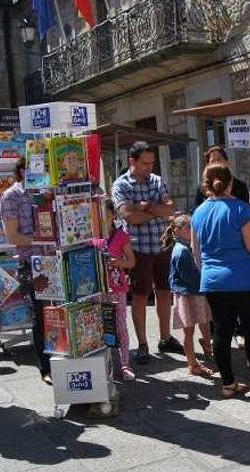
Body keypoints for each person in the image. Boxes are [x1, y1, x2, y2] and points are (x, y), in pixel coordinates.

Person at [191, 163, 250, 399]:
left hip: (213, 281)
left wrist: (210, 271)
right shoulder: (242, 210)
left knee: (221, 333)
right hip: (244, 280)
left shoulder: (198, 213)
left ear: (206, 185)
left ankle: (228, 384)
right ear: (230, 182)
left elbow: (196, 252)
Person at [111, 141, 184, 364]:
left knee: (164, 291)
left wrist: (146, 208)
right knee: (140, 296)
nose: (149, 168)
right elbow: (129, 217)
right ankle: (142, 344)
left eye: (152, 163)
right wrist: (156, 211)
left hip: (162, 245)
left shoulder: (157, 181)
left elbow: (170, 209)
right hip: (137, 248)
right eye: (145, 163)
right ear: (132, 161)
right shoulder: (120, 185)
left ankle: (165, 337)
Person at [1, 159, 51, 383]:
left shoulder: (47, 191)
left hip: (57, 259)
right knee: (40, 318)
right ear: (23, 171)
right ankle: (46, 368)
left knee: (60, 313)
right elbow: (12, 236)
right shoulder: (12, 196)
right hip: (32, 262)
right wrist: (42, 241)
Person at [164, 215, 214, 378]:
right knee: (189, 331)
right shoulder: (182, 252)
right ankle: (192, 364)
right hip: (187, 295)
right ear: (177, 231)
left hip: (196, 292)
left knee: (205, 321)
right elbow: (189, 277)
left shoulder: (189, 246)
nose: (193, 231)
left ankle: (207, 346)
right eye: (188, 229)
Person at [92, 199, 136, 382]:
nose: (102, 216)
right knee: (99, 327)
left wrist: (117, 261)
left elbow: (131, 262)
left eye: (105, 212)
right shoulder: (92, 237)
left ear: (112, 214)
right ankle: (104, 365)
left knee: (120, 326)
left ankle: (125, 365)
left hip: (117, 288)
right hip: (98, 288)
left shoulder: (121, 235)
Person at [191, 146, 250, 211]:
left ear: (227, 162)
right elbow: (196, 209)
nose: (217, 163)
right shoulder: (203, 187)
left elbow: (246, 209)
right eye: (213, 161)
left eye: (219, 159)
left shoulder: (240, 186)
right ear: (208, 166)